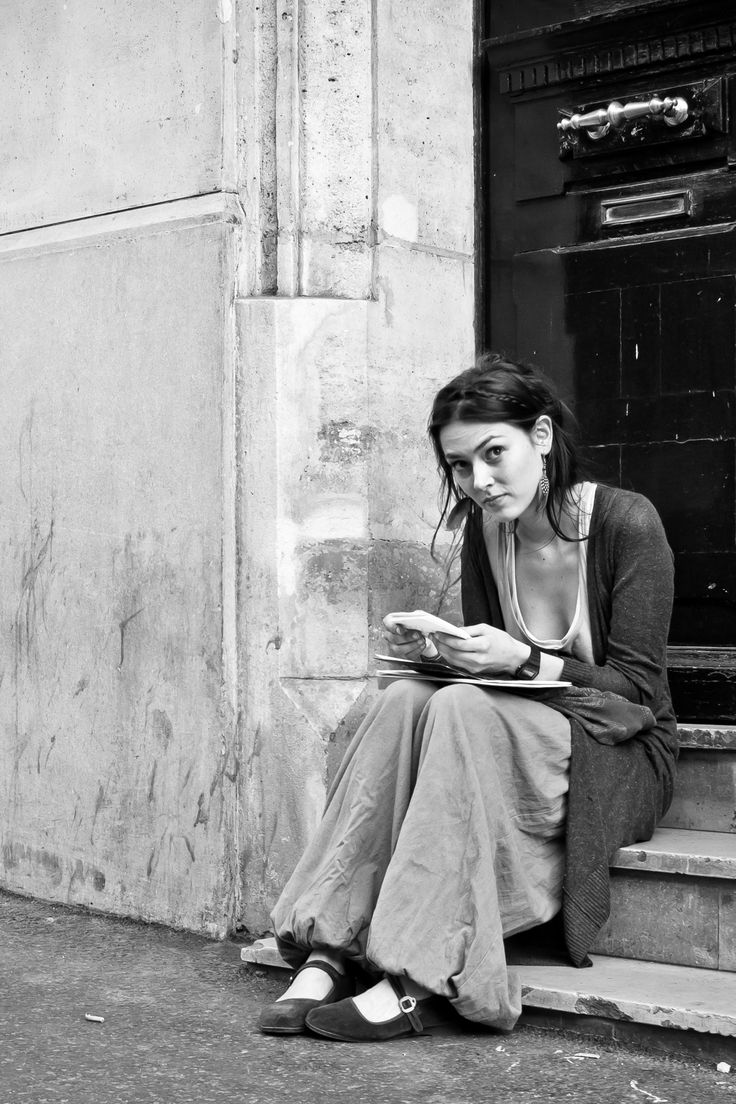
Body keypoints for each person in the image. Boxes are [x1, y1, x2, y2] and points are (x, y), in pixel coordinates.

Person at [257, 352, 678, 1042]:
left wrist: (522, 657)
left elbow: (636, 695)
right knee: (400, 698)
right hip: (517, 732)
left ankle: (416, 972)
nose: (478, 481)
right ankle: (331, 945)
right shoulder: (488, 532)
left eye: (494, 454)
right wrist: (444, 652)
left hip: (620, 748)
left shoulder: (628, 525)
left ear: (540, 437)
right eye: (459, 465)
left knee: (456, 708)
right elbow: (495, 687)